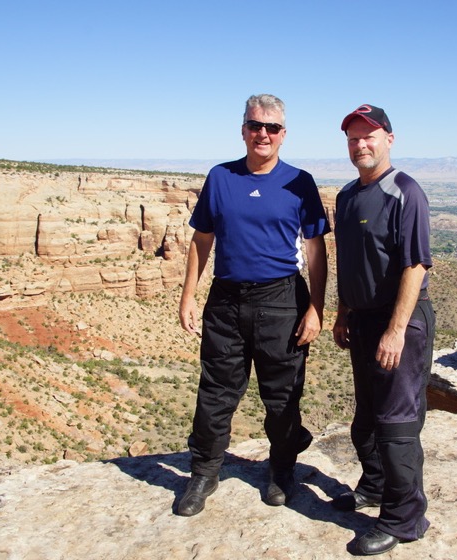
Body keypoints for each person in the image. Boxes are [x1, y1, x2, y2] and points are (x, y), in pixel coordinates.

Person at [176, 93, 329, 516]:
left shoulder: (300, 182)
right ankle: (204, 474)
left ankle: (281, 470)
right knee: (216, 392)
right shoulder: (220, 177)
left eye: (272, 127)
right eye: (255, 125)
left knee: (281, 396)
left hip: (281, 300)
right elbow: (202, 240)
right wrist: (188, 296)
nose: (263, 133)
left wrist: (316, 308)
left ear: (284, 134)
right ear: (243, 129)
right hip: (225, 300)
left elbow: (316, 251)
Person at [331, 104, 435, 555]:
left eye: (369, 136)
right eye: (353, 138)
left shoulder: (405, 192)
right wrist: (342, 312)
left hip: (401, 322)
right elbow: (349, 263)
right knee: (367, 419)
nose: (361, 144)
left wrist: (395, 330)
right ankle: (373, 487)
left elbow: (416, 265)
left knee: (397, 426)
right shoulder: (348, 196)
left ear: (389, 139)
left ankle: (404, 519)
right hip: (362, 318)